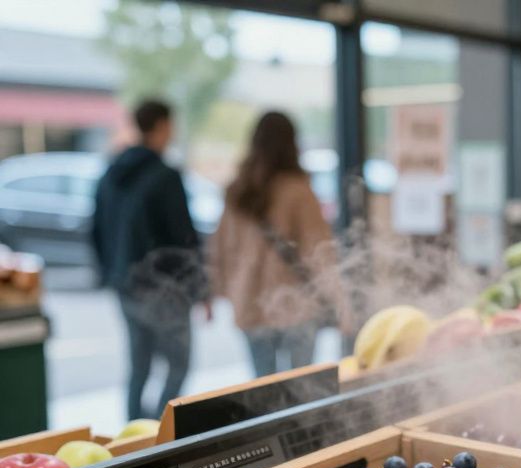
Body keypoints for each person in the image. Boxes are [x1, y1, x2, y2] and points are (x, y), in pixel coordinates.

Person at [91, 99, 205, 421]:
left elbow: (95, 229)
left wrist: (110, 274)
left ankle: (133, 435)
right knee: (179, 363)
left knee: (139, 365)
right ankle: (158, 434)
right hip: (163, 289)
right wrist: (199, 289)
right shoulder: (165, 176)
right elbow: (183, 237)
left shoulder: (111, 173)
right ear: (162, 126)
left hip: (124, 286)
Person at [207, 111, 337, 377]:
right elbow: (320, 252)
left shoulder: (237, 191)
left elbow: (219, 248)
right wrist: (341, 304)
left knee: (264, 391)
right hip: (296, 305)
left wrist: (217, 292)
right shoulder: (298, 190)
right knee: (301, 390)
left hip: (250, 303)